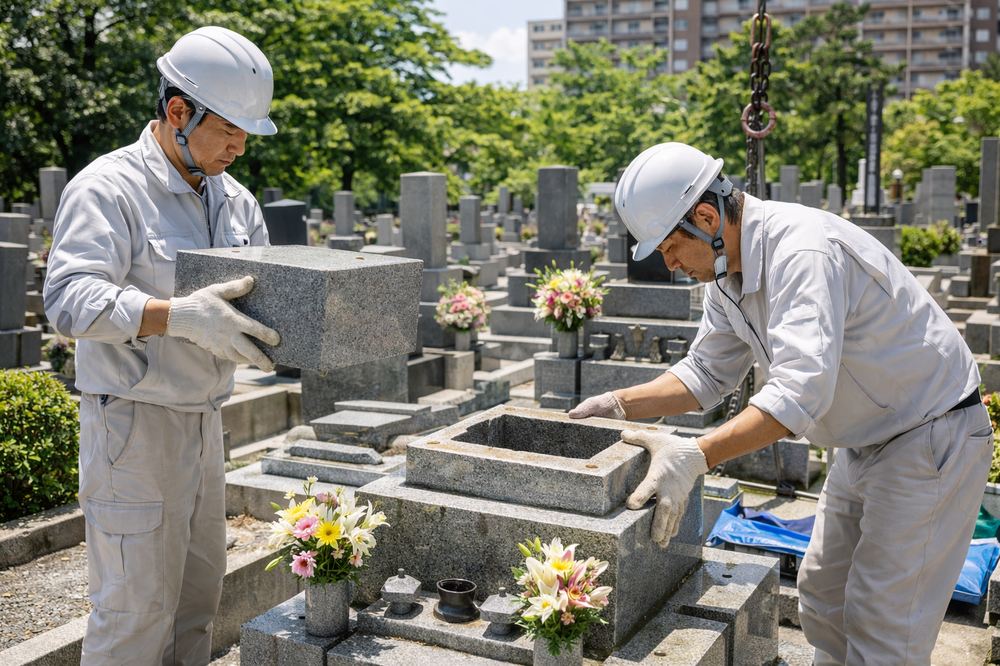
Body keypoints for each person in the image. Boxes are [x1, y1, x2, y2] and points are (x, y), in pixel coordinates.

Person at [569, 142, 992, 665]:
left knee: (886, 623)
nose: (670, 263)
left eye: (670, 246)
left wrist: (697, 455)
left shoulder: (802, 251)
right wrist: (616, 404)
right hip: (864, 440)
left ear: (706, 218)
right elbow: (706, 373)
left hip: (930, 436)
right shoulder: (725, 273)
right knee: (823, 594)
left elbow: (799, 391)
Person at [44, 27, 282, 666]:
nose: (239, 147)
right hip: (132, 428)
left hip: (205, 423)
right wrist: (177, 317)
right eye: (229, 130)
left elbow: (263, 299)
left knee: (196, 607)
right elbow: (67, 299)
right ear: (179, 112)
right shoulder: (108, 188)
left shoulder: (236, 201)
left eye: (246, 134)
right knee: (136, 616)